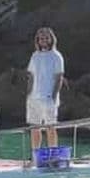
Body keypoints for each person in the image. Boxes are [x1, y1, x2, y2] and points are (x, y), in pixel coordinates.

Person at [26, 26, 64, 154]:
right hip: (33, 98)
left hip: (48, 98)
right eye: (41, 38)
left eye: (46, 37)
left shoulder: (56, 56)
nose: (43, 40)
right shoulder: (35, 56)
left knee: (50, 127)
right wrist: (28, 94)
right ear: (38, 40)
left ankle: (53, 155)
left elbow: (59, 77)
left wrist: (53, 96)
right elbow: (31, 75)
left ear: (51, 39)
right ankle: (35, 155)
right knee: (34, 127)